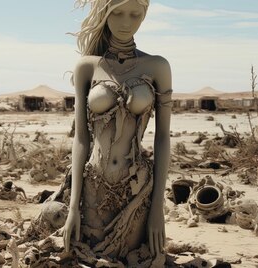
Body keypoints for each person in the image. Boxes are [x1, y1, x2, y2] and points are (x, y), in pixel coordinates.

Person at [62, 0, 172, 266]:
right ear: (105, 14)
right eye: (118, 13)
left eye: (135, 14)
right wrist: (73, 205)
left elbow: (162, 138)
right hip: (93, 189)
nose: (126, 22)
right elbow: (81, 139)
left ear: (145, 15)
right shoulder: (87, 67)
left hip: (135, 192)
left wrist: (157, 208)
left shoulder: (157, 66)